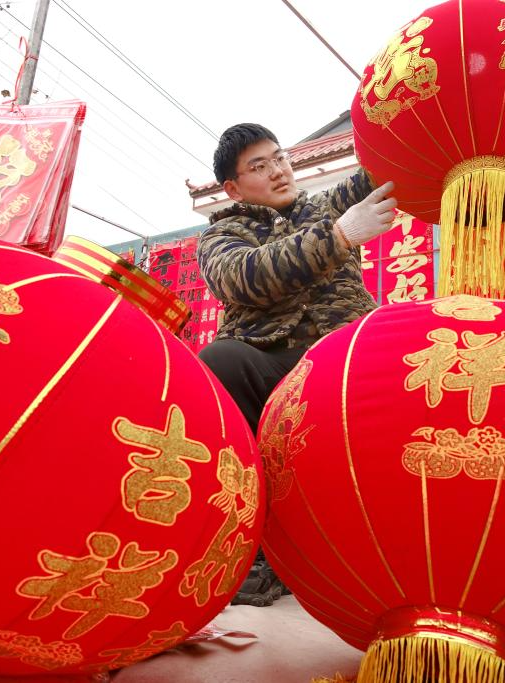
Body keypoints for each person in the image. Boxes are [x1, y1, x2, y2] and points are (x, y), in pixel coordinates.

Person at [197, 122, 397, 606]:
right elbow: (244, 277)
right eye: (259, 166)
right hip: (272, 362)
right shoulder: (221, 235)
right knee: (220, 361)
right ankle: (255, 550)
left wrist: (409, 123)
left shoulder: (327, 205)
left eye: (280, 157)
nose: (278, 171)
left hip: (345, 357)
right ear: (233, 187)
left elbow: (386, 170)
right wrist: (339, 236)